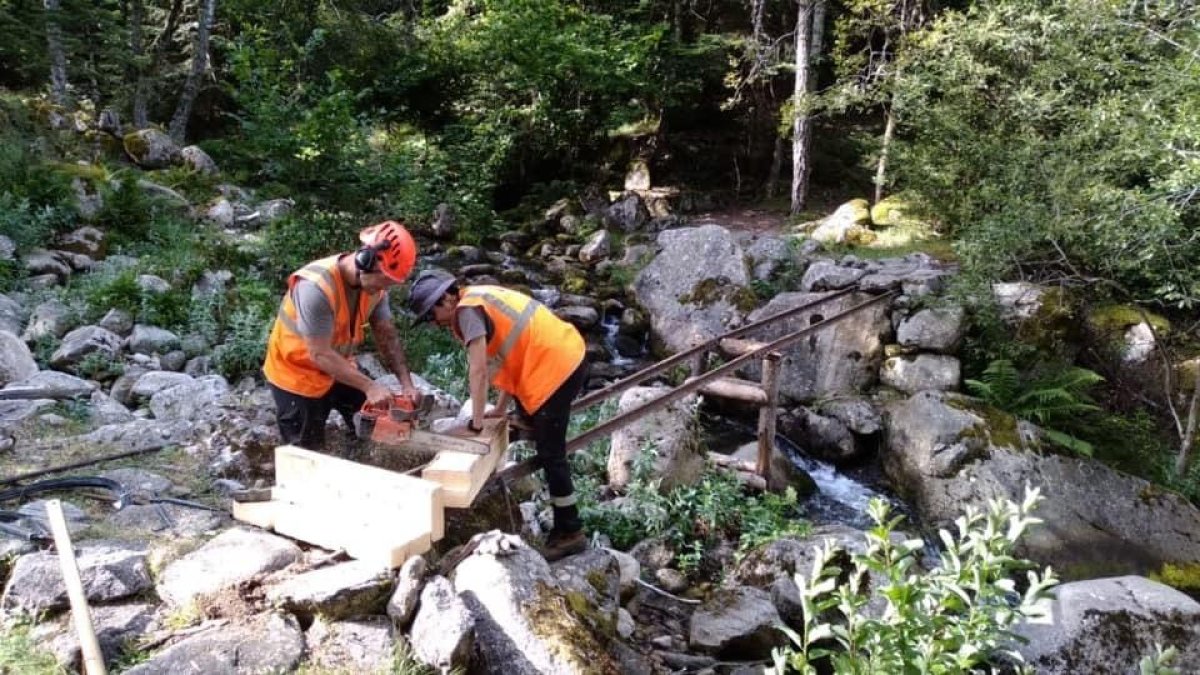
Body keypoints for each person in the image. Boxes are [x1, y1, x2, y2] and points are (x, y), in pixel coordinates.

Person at [408, 269, 589, 561]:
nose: (434, 322)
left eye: (432, 314)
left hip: (556, 367)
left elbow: (478, 371)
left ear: (446, 298)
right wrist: (501, 409)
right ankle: (529, 418)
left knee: (551, 452)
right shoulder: (477, 298)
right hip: (558, 353)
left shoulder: (467, 313)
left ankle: (570, 530)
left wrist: (476, 423)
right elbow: (510, 353)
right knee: (536, 424)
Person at [263, 220, 420, 450]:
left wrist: (406, 384)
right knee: (307, 454)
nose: (385, 288)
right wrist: (370, 387)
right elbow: (319, 354)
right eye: (384, 279)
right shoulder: (315, 288)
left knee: (373, 418)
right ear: (366, 260)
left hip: (337, 366)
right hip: (297, 374)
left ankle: (359, 456)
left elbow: (387, 336)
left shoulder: (375, 290)